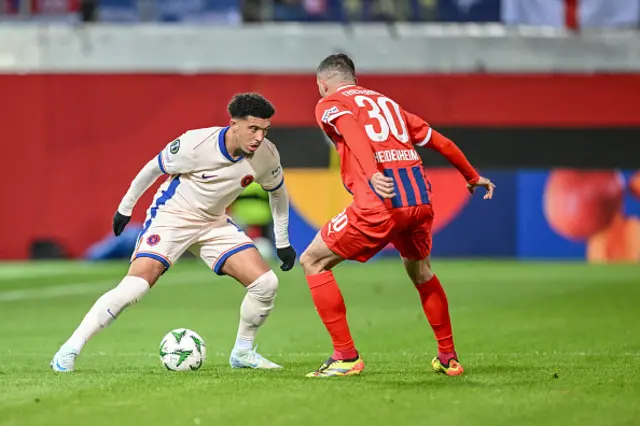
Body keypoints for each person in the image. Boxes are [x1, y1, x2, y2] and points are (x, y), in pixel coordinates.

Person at [51, 93, 297, 372]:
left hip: (214, 222)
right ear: (234, 124)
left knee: (266, 284)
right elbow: (152, 169)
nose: (259, 137)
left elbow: (278, 194)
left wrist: (283, 241)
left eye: (265, 130)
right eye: (253, 128)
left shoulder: (266, 155)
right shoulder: (196, 144)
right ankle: (69, 349)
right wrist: (125, 208)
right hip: (172, 217)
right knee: (135, 287)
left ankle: (243, 353)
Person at [300, 54, 495, 377]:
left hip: (380, 202)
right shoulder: (388, 105)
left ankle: (345, 356)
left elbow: (349, 129)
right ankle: (448, 357)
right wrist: (471, 175)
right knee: (421, 272)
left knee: (313, 261)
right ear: (354, 78)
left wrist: (374, 171)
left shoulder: (330, 103)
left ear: (322, 84)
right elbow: (439, 140)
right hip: (418, 201)